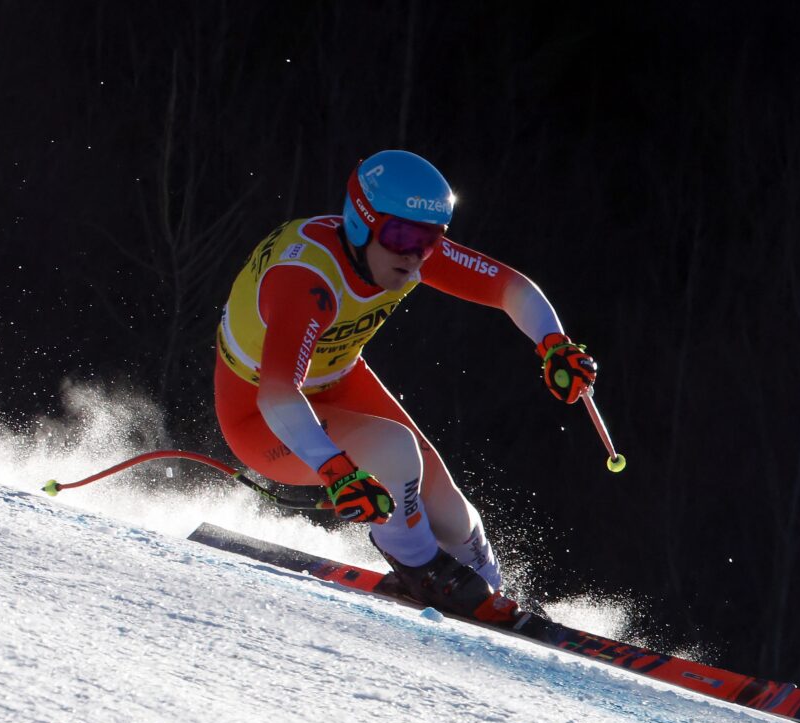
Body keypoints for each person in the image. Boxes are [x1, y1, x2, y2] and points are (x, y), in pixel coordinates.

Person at [213, 149, 597, 623]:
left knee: (450, 509)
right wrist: (335, 469)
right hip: (261, 416)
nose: (415, 256)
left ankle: (489, 585)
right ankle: (422, 571)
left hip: (335, 381)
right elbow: (276, 393)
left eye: (431, 241)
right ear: (360, 223)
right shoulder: (306, 278)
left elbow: (510, 287)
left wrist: (553, 344)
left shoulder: (399, 251)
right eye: (402, 237)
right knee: (395, 451)